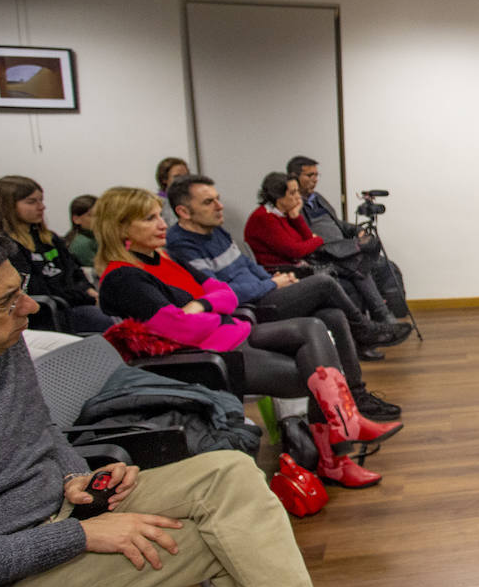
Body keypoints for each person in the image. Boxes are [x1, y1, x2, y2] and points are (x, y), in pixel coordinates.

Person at [0, 226, 429, 587]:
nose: (30, 307)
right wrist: (75, 537)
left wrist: (75, 472)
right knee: (233, 541)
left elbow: (41, 429)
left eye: (22, 289)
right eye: (8, 302)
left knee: (233, 473)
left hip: (62, 513)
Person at [92, 187, 398, 487]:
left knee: (316, 326)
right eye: (149, 218)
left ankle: (342, 441)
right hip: (208, 356)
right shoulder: (123, 278)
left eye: (160, 216)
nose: (162, 225)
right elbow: (179, 329)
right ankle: (339, 448)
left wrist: (201, 306)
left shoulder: (163, 259)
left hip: (233, 333)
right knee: (313, 373)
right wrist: (210, 311)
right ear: (121, 227)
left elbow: (224, 293)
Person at [164, 173, 403, 421]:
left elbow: (249, 265)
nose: (219, 205)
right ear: (183, 211)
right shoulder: (182, 245)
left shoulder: (217, 231)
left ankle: (356, 395)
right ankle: (364, 329)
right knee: (324, 282)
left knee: (333, 314)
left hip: (265, 290)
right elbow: (221, 293)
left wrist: (272, 281)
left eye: (218, 199)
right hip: (246, 309)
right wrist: (270, 283)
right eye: (208, 202)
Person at [244, 173, 398, 326]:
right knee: (355, 266)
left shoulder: (284, 214)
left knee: (356, 266)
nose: (298, 197)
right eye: (292, 193)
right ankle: (374, 321)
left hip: (303, 264)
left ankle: (371, 326)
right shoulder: (264, 218)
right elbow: (297, 250)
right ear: (278, 197)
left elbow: (305, 240)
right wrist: (317, 239)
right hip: (287, 271)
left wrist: (296, 216)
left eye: (297, 191)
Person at [0, 175, 113, 333]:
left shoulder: (49, 238)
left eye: (41, 200)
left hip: (73, 302)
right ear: (7, 205)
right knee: (106, 321)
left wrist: (89, 290)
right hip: (48, 313)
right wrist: (88, 297)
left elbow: (74, 271)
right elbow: (38, 289)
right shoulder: (2, 246)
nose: (41, 207)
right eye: (31, 202)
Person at [287, 156, 409, 325]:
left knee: (384, 264)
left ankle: (390, 313)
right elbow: (302, 238)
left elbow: (338, 224)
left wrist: (357, 230)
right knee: (358, 265)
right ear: (294, 176)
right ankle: (382, 315)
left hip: (344, 248)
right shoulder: (292, 206)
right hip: (323, 253)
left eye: (316, 175)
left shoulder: (318, 199)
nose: (315, 180)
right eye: (309, 175)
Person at [63, 193, 98, 268]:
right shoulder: (81, 243)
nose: (98, 219)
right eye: (92, 215)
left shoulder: (97, 238)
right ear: (76, 219)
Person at [155, 156, 189, 226]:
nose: (183, 180)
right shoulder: (156, 204)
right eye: (177, 177)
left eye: (186, 176)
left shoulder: (191, 200)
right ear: (164, 179)